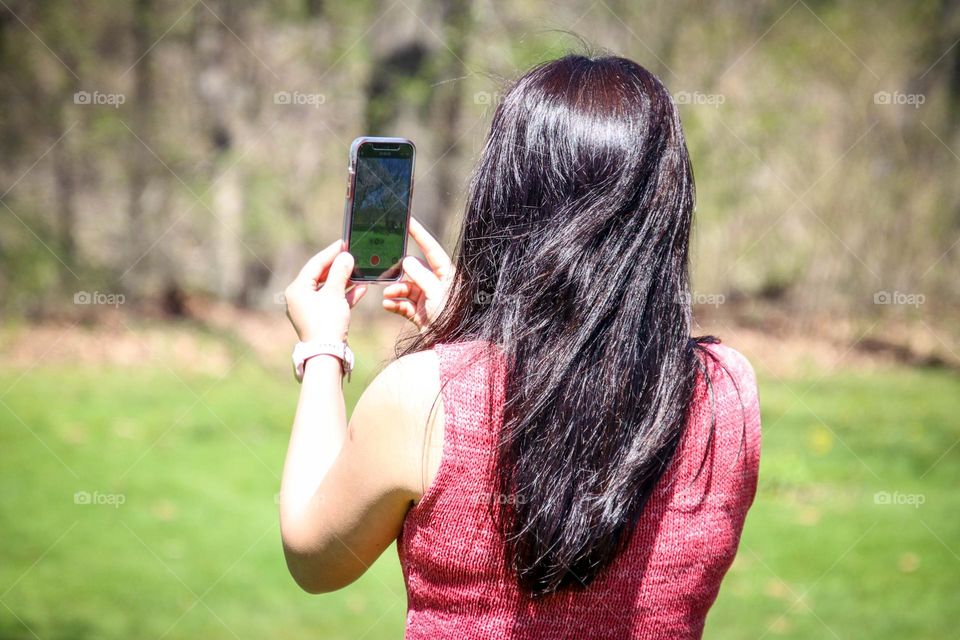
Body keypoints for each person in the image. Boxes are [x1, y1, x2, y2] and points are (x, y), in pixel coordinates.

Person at [279, 54, 761, 639]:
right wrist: (474, 336)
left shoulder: (422, 399)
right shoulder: (728, 394)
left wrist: (324, 348)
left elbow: (315, 558)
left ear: (505, 195)